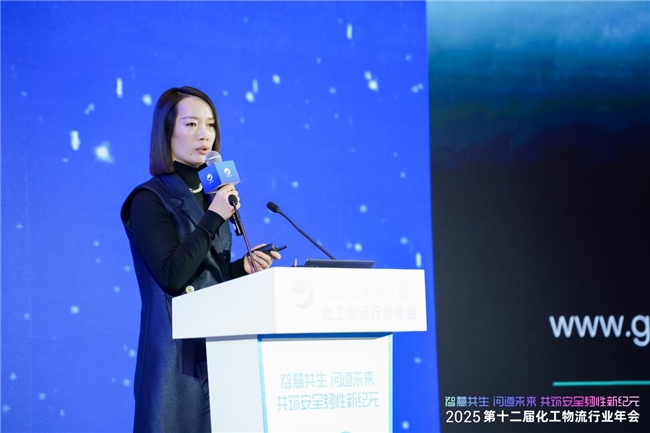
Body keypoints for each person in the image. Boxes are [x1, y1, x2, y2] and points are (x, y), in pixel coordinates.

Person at [120, 86, 281, 433]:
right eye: (191, 124)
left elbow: (208, 278)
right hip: (174, 360)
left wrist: (241, 268)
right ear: (167, 132)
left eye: (210, 125)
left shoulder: (212, 196)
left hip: (218, 352)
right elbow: (173, 275)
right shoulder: (149, 199)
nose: (204, 134)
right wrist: (214, 217)